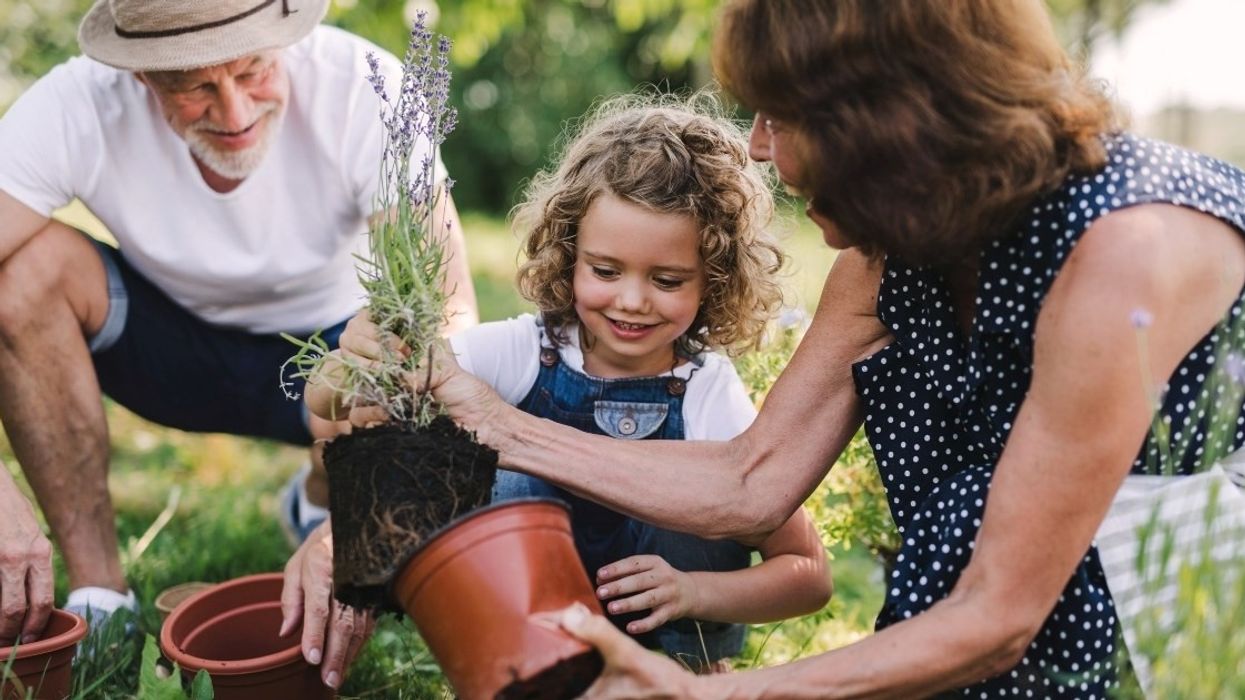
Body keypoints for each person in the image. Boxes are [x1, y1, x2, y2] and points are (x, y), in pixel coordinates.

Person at [300, 0, 1245, 696]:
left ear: (889, 127)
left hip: (1177, 618)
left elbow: (998, 614)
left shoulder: (1122, 257)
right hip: (988, 616)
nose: (754, 149)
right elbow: (750, 481)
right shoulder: (891, 257)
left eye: (781, 119)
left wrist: (704, 691)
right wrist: (367, 516)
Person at [286, 97, 832, 684]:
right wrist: (350, 360)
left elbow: (809, 573)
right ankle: (514, 667)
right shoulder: (525, 350)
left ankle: (689, 671)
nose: (631, 299)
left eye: (667, 280)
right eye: (604, 270)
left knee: (701, 490)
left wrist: (695, 591)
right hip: (529, 639)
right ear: (570, 257)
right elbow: (335, 402)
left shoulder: (706, 393)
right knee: (503, 475)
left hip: (663, 651)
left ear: (715, 279)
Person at [0, 0, 477, 646]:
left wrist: (360, 521)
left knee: (401, 340)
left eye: (253, 70)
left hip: (332, 363)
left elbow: (447, 313)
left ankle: (320, 490)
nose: (235, 113)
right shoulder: (79, 102)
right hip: (166, 350)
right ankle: (102, 598)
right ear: (142, 74)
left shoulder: (364, 85)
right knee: (24, 272)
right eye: (194, 86)